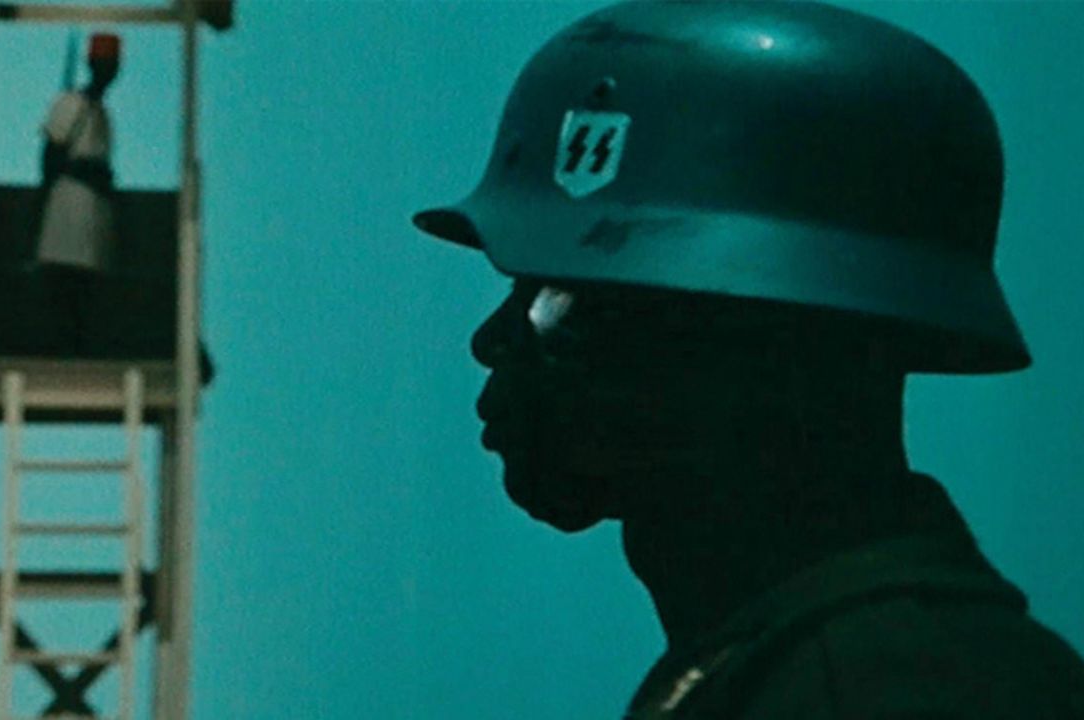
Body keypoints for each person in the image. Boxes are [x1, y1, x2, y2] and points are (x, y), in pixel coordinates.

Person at [412, 2, 1084, 718]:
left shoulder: (895, 696)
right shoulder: (795, 661)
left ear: (771, 336)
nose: (490, 339)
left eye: (563, 298)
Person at [34, 32, 121, 353]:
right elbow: (51, 155)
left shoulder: (103, 114)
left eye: (111, 65)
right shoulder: (71, 103)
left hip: (94, 213)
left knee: (86, 288)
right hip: (68, 205)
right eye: (102, 63)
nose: (107, 71)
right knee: (62, 284)